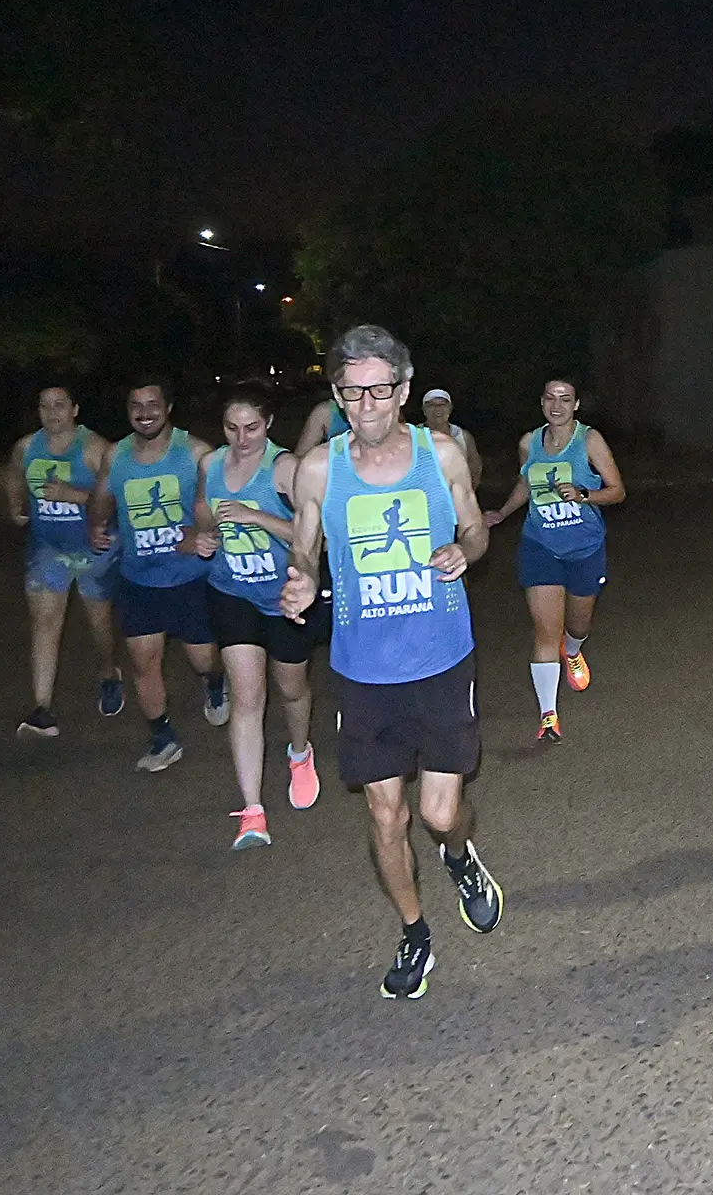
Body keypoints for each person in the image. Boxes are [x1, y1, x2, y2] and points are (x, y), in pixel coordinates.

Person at [280, 324, 503, 1000]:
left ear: (404, 390)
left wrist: (467, 551)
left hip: (440, 659)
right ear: (338, 396)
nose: (367, 404)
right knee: (386, 816)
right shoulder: (319, 469)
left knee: (439, 814)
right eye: (353, 392)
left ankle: (460, 856)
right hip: (365, 670)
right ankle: (414, 933)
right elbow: (304, 551)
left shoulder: (441, 456)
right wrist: (296, 579)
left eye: (380, 390)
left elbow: (475, 529)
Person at [193, 382, 331, 850]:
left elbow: (315, 533)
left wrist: (257, 517)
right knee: (247, 697)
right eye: (232, 428)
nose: (241, 437)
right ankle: (251, 811)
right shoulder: (211, 464)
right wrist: (205, 535)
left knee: (291, 688)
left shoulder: (285, 468)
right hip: (231, 592)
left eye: (252, 427)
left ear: (269, 424)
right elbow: (203, 512)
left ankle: (299, 751)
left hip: (285, 595)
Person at [88, 377, 229, 772]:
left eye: (152, 404)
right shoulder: (116, 456)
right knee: (142, 661)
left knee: (204, 659)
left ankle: (215, 683)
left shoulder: (196, 453)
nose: (144, 413)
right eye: (136, 405)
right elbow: (102, 497)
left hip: (190, 578)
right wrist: (95, 525)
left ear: (168, 408)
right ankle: (162, 736)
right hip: (138, 580)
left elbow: (221, 504)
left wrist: (204, 534)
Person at [484, 379, 625, 742]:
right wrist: (502, 512)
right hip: (540, 545)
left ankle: (574, 651)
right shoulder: (528, 443)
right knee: (545, 632)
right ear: (541, 402)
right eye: (550, 398)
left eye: (565, 399)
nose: (557, 405)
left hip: (585, 547)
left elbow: (617, 491)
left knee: (577, 625)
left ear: (576, 404)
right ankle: (549, 715)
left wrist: (583, 494)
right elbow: (526, 483)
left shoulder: (589, 440)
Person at [6, 384, 124, 737]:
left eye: (59, 405)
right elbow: (13, 473)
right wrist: (16, 506)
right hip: (48, 548)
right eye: (44, 406)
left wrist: (72, 495)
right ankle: (42, 708)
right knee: (44, 623)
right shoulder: (27, 447)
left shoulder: (95, 449)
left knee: (99, 626)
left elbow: (117, 498)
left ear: (75, 409)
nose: (51, 412)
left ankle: (108, 671)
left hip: (95, 549)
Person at [420, 389, 483, 491]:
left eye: (442, 404)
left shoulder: (462, 436)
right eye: (431, 405)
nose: (437, 409)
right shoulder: (412, 435)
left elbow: (475, 465)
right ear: (424, 409)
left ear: (450, 408)